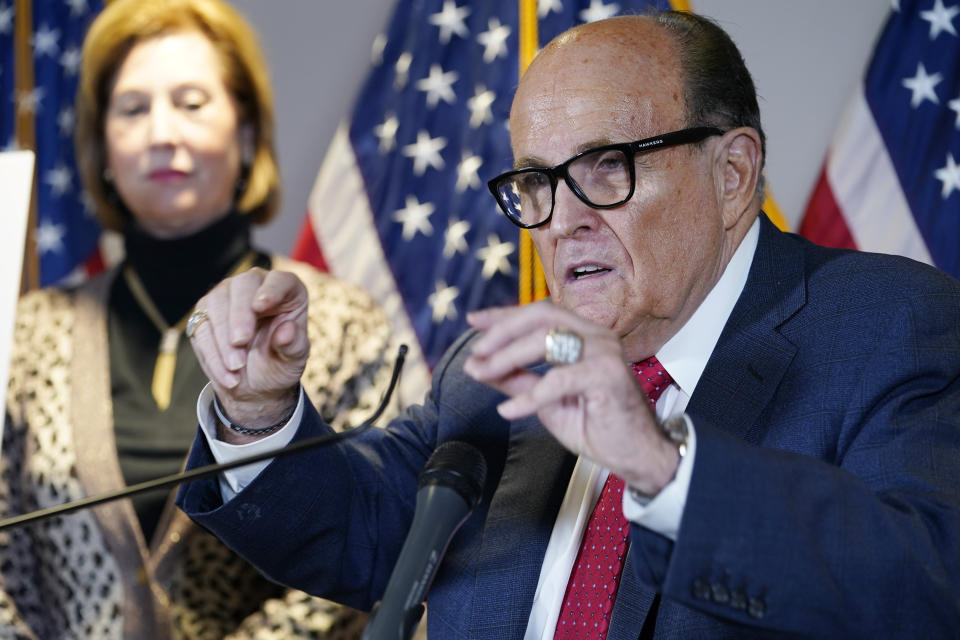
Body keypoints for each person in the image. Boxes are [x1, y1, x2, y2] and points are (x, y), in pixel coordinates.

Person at [178, 10, 960, 639]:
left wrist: (660, 465)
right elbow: (361, 529)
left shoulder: (891, 324)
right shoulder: (504, 365)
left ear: (732, 174)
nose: (565, 221)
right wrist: (259, 411)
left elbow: (926, 589)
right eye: (536, 182)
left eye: (606, 167)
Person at [0, 0, 398, 637]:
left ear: (245, 135)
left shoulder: (342, 325)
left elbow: (371, 546)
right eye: (132, 108)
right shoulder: (25, 337)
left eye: (191, 102)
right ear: (103, 145)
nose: (162, 132)